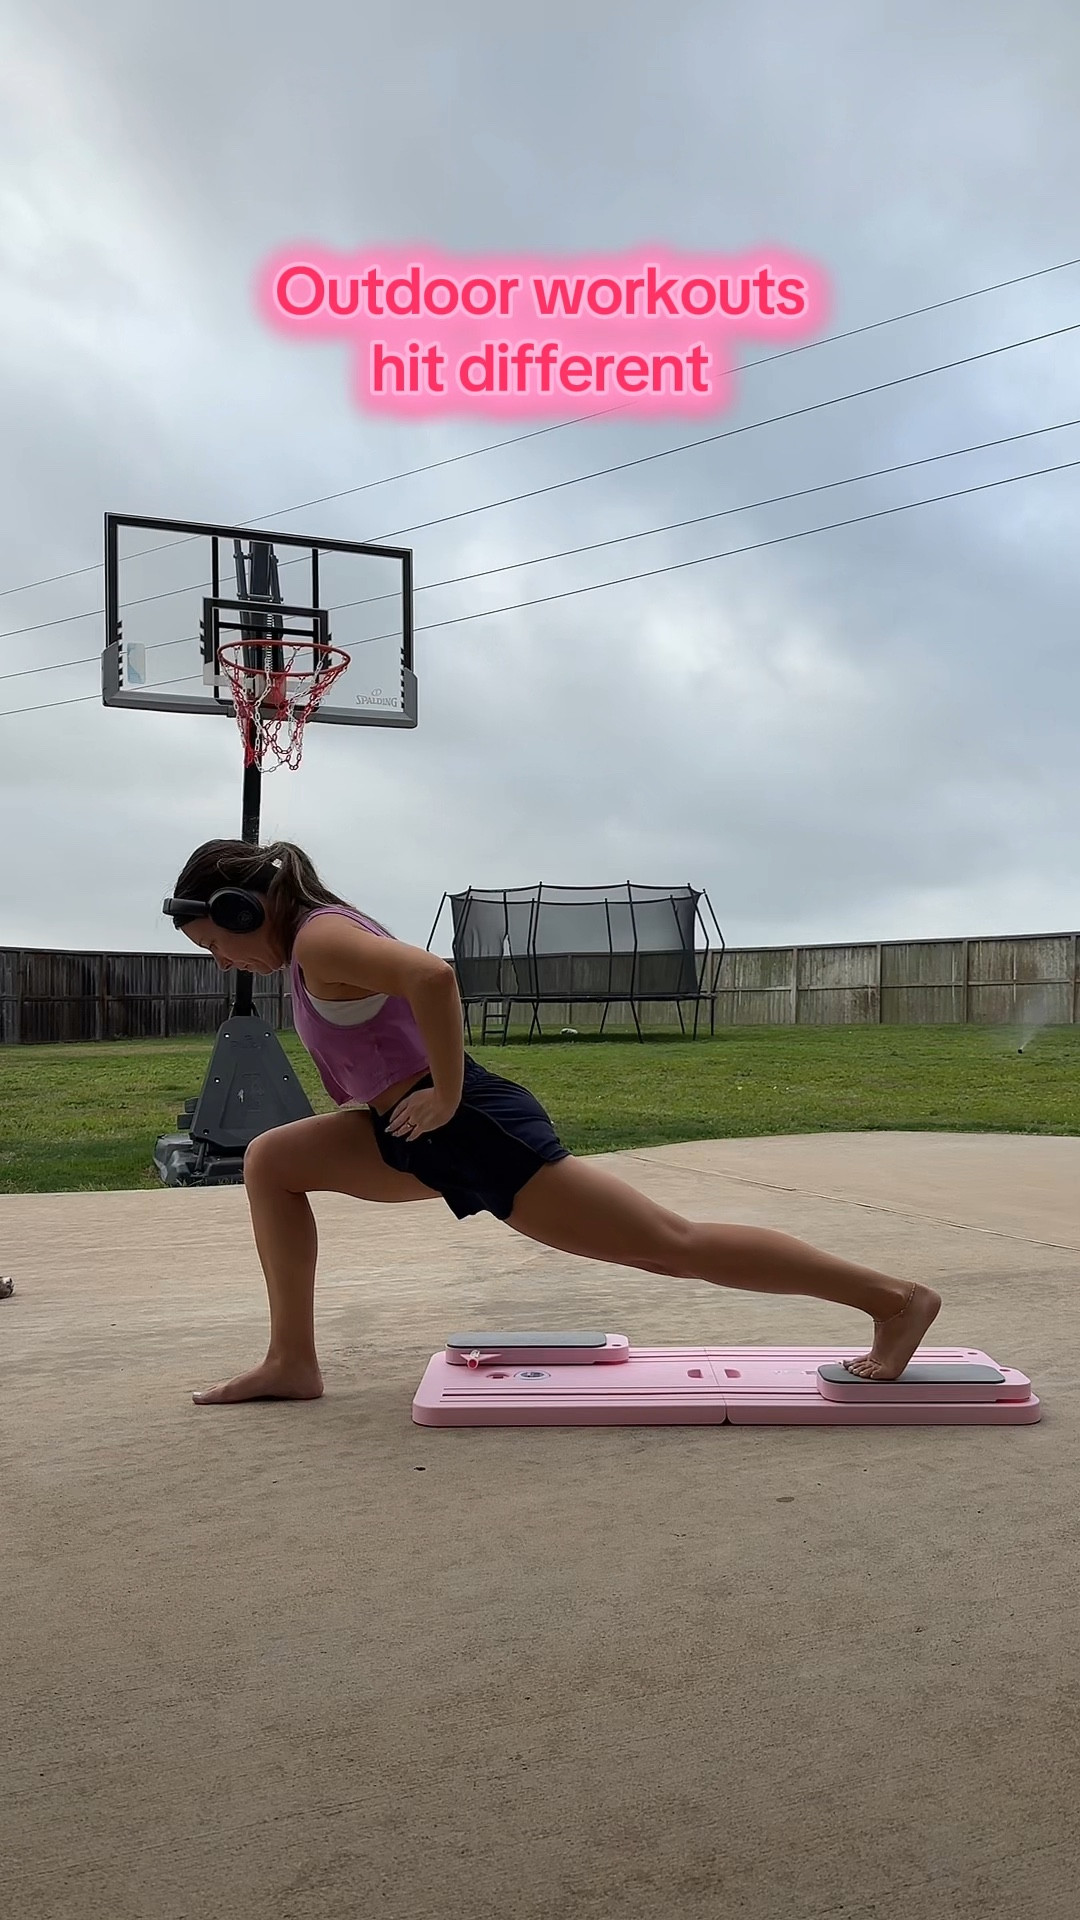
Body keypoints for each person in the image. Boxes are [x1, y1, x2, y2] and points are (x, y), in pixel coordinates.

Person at [167, 839, 941, 1405]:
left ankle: (893, 1301)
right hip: (405, 1133)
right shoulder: (309, 946)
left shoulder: (319, 936)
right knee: (272, 1160)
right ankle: (291, 1362)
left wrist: (444, 1087)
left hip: (469, 1128)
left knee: (672, 1247)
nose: (221, 964)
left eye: (216, 946)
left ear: (243, 909)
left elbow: (433, 976)